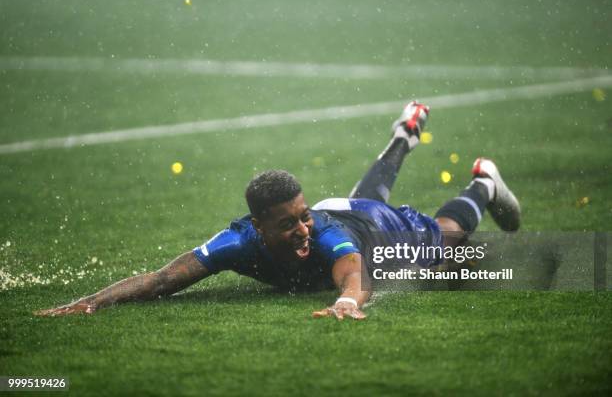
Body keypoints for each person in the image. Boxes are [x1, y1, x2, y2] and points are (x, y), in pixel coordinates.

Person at [35, 102, 520, 320]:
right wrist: (93, 301)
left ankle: (482, 183)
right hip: (348, 205)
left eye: (303, 215)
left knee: (446, 235)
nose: (302, 228)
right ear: (258, 226)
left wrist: (348, 302)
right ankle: (404, 135)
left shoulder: (324, 234)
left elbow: (354, 274)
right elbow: (164, 279)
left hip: (376, 230)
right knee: (366, 194)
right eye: (288, 223)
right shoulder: (236, 241)